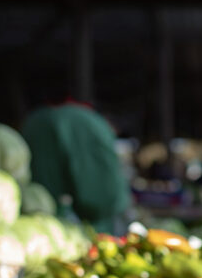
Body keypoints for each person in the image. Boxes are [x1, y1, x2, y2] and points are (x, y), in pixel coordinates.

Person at [20, 99, 132, 235]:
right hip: (88, 230)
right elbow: (104, 196)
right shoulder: (90, 124)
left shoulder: (35, 120)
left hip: (34, 222)